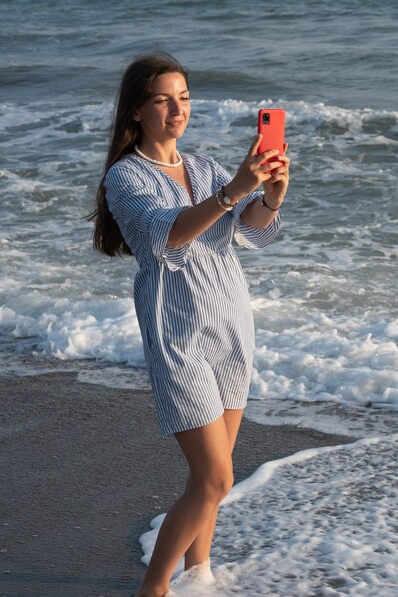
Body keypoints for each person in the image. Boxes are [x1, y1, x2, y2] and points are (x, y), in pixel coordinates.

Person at [89, 53, 289, 597]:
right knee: (216, 477)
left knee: (212, 479)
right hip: (178, 337)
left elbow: (247, 232)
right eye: (163, 99)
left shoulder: (201, 166)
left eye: (184, 98)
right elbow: (164, 235)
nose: (178, 110)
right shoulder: (125, 177)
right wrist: (232, 192)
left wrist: (268, 197)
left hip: (230, 326)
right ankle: (153, 588)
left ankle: (199, 574)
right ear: (137, 112)